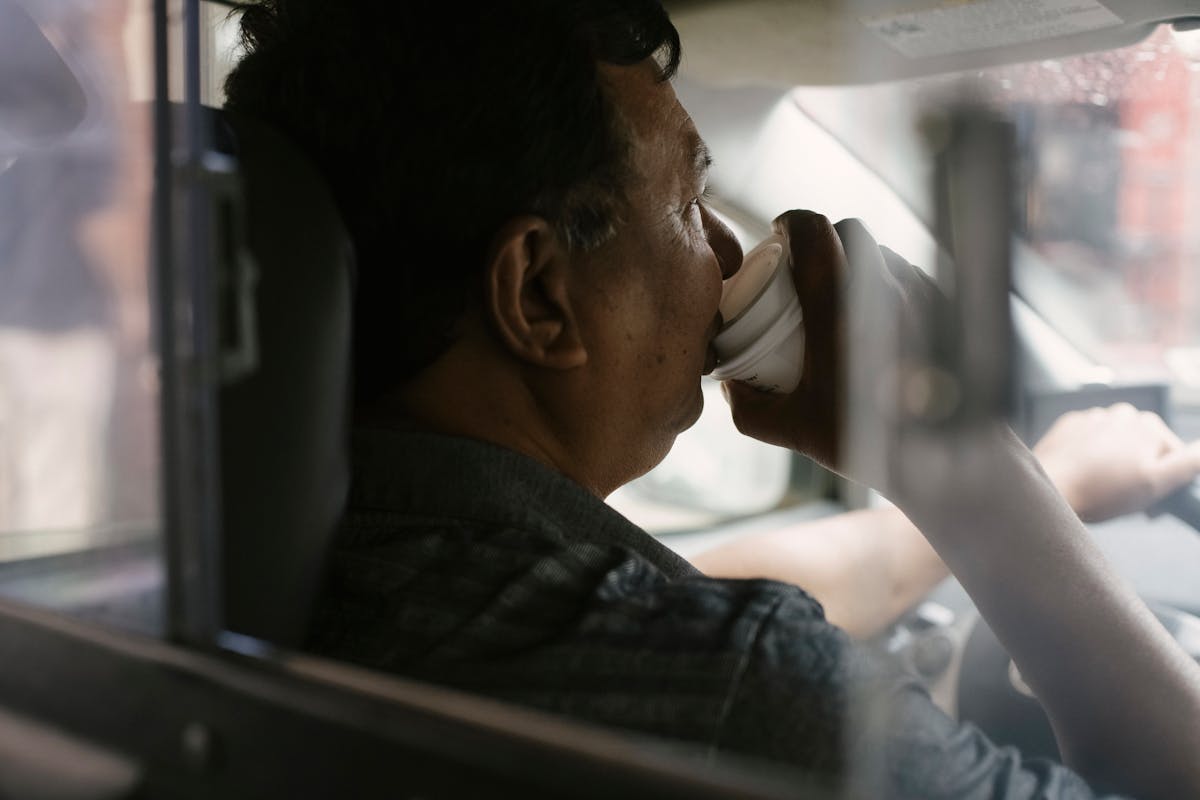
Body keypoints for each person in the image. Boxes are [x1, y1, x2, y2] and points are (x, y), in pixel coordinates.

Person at [223, 1, 1200, 796]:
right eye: (690, 206)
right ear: (537, 296)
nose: (729, 254)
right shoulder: (740, 692)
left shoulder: (280, 568)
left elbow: (723, 577)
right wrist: (977, 472)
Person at [693, 402, 1200, 638]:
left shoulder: (635, 610)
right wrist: (1045, 485)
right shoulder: (686, 649)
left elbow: (718, 606)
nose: (723, 247)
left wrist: (1050, 482)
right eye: (690, 205)